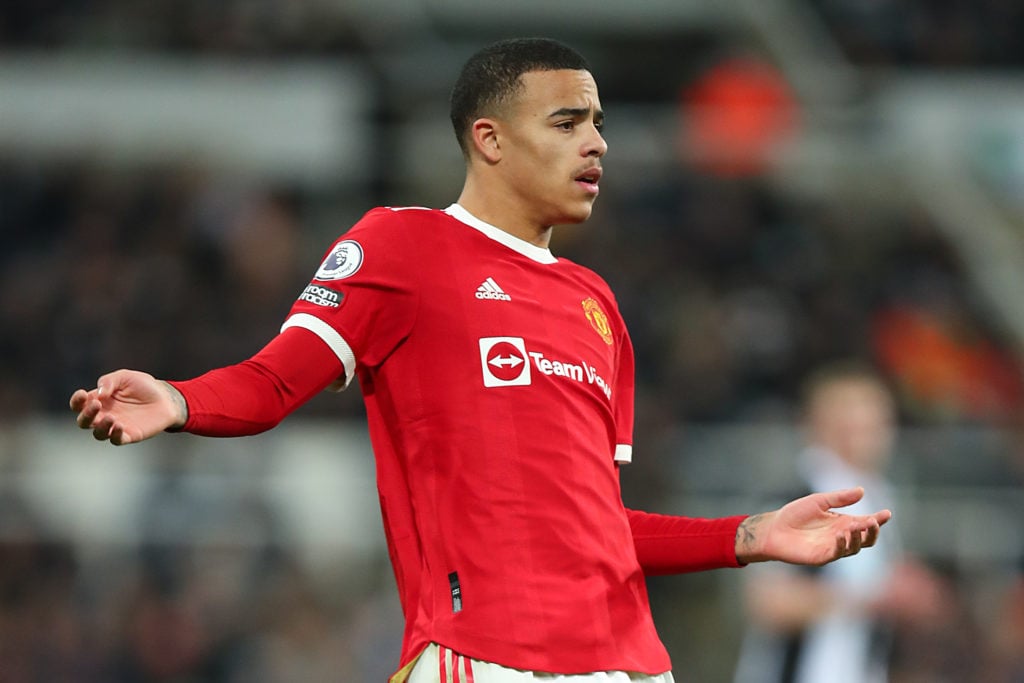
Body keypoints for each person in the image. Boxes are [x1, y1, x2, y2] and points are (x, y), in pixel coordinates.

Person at [70, 38, 893, 683]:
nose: (597, 142)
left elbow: (594, 525)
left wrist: (749, 534)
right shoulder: (402, 245)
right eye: (567, 123)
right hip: (487, 654)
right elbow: (273, 379)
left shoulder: (596, 304)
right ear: (489, 139)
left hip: (633, 659)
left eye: (599, 122)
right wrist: (178, 399)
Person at [732, 361, 945, 683]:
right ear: (820, 425)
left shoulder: (877, 494)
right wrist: (875, 597)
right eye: (855, 422)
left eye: (878, 422)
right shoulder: (796, 496)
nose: (873, 435)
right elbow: (768, 602)